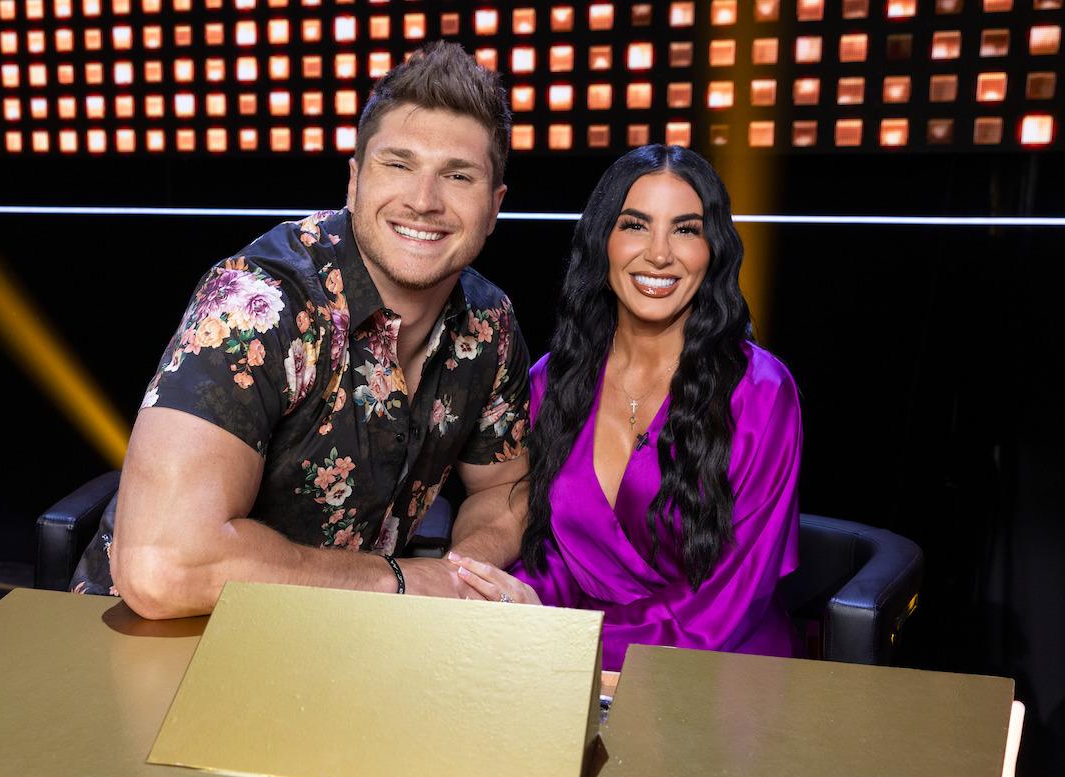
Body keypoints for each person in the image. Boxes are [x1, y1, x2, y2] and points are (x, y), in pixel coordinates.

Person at [70, 41, 531, 619]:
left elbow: (503, 488)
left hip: (333, 638)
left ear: (494, 206)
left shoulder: (490, 324)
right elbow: (162, 570)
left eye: (458, 175)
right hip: (160, 637)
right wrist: (403, 582)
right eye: (399, 164)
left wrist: (461, 580)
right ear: (355, 180)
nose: (423, 200)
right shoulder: (258, 303)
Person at [451, 145, 803, 671]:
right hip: (568, 659)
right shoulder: (551, 382)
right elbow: (555, 558)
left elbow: (727, 605)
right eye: (636, 225)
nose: (660, 254)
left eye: (686, 229)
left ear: (714, 250)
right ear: (603, 242)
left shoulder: (762, 393)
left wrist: (564, 636)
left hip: (719, 670)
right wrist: (508, 599)